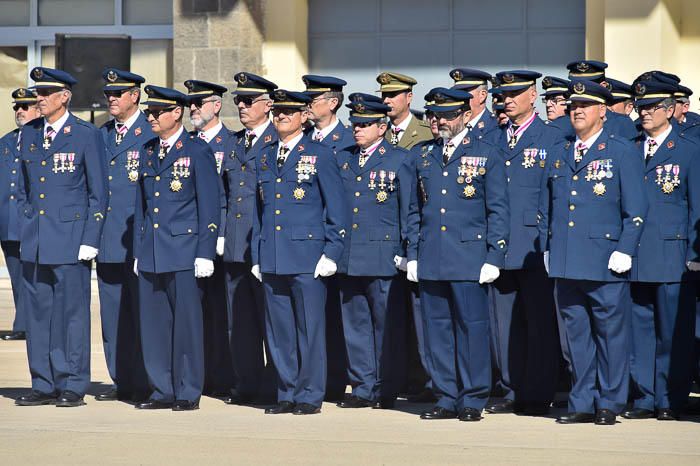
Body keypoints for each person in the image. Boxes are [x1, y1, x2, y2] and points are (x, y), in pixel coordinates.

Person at [538, 80, 648, 425]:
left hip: (604, 259)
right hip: (568, 260)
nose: (577, 111)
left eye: (585, 105)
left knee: (610, 336)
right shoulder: (560, 150)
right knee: (576, 339)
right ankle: (582, 401)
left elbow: (637, 208)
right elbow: (547, 206)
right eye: (573, 106)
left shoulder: (621, 150)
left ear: (603, 110)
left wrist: (625, 249)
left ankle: (609, 403)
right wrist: (546, 247)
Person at [406, 87, 509, 421]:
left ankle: (472, 397)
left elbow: (498, 210)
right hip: (432, 256)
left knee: (471, 329)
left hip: (469, 257)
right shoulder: (422, 155)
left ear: (466, 115)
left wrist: (494, 256)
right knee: (437, 331)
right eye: (437, 115)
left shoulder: (486, 153)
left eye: (450, 115)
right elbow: (413, 210)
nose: (443, 121)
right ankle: (446, 395)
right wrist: (412, 254)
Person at [15, 67, 107, 407]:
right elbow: (25, 188)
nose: (38, 99)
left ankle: (72, 382)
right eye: (37, 93)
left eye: (44, 94)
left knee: (71, 316)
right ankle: (43, 381)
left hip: (70, 239)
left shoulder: (84, 134)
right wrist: (26, 220)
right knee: (38, 316)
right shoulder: (30, 133)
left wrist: (90, 238)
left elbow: (99, 192)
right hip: (36, 239)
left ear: (63, 97)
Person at [251, 89, 347, 415]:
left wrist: (332, 252)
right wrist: (256, 254)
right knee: (279, 333)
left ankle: (309, 394)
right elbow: (258, 211)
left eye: (288, 112)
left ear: (304, 117)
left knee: (309, 331)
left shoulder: (319, 154)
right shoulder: (264, 155)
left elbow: (337, 207)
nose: (281, 117)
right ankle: (286, 393)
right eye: (277, 112)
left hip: (308, 256)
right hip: (274, 255)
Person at [133, 85, 220, 411]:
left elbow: (210, 205)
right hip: (153, 250)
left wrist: (205, 251)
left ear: (176, 113)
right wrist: (139, 251)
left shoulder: (196, 151)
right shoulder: (148, 150)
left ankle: (187, 390)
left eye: (157, 112)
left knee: (186, 327)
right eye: (149, 113)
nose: (151, 118)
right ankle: (161, 388)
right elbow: (141, 205)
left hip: (184, 251)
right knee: (155, 326)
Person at [623, 80, 700, 421]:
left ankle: (670, 397)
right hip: (635, 253)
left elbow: (697, 204)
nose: (644, 113)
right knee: (640, 330)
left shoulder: (688, 149)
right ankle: (644, 396)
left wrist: (695, 254)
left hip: (672, 253)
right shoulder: (629, 146)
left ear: (670, 110)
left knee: (673, 332)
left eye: (652, 107)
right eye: (641, 107)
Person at [487, 70, 562, 415]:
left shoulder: (550, 137)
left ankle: (538, 392)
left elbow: (553, 195)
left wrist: (548, 244)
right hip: (498, 247)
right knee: (504, 326)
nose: (508, 99)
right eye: (504, 94)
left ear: (533, 95)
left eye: (516, 93)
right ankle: (512, 388)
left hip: (534, 245)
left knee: (539, 323)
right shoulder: (492, 139)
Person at [335, 98, 411, 409]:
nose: (357, 129)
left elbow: (407, 210)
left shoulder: (399, 159)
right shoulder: (343, 159)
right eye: (354, 124)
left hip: (383, 255)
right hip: (350, 256)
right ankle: (363, 386)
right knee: (355, 327)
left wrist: (406, 251)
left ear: (382, 127)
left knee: (386, 326)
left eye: (365, 124)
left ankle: (386, 386)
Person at [94, 68, 153, 402]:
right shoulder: (102, 135)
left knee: (142, 312)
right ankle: (121, 378)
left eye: (118, 94)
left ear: (135, 96)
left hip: (138, 238)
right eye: (108, 94)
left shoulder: (150, 132)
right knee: (112, 314)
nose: (111, 99)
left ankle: (146, 379)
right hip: (107, 239)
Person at [221, 72, 279, 405]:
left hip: (264, 244)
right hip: (234, 244)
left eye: (248, 101)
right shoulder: (234, 141)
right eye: (238, 101)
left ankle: (274, 385)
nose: (241, 106)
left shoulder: (277, 140)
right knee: (239, 322)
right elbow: (224, 194)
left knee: (271, 320)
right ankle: (246, 383)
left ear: (268, 105)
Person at [184, 79, 233, 397]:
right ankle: (197, 377)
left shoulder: (233, 143)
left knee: (223, 315)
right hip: (191, 242)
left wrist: (222, 233)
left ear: (216, 106)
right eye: (190, 104)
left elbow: (235, 194)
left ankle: (224, 377)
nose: (193, 109)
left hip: (224, 243)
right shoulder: (186, 144)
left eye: (199, 103)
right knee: (195, 314)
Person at [0, 87, 39, 341]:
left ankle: (28, 324)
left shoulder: (42, 139)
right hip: (8, 222)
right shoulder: (5, 142)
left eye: (25, 107)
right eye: (16, 107)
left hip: (31, 221)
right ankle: (23, 322)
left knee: (32, 277)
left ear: (38, 109)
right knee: (16, 276)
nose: (20, 111)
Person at [377, 72, 432, 149]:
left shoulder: (428, 132)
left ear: (409, 97)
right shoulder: (378, 133)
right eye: (384, 95)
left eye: (392, 95)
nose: (386, 100)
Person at [448, 68, 500, 141]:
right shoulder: (450, 126)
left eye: (464, 94)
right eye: (456, 94)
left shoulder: (496, 126)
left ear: (482, 95)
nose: (458, 97)